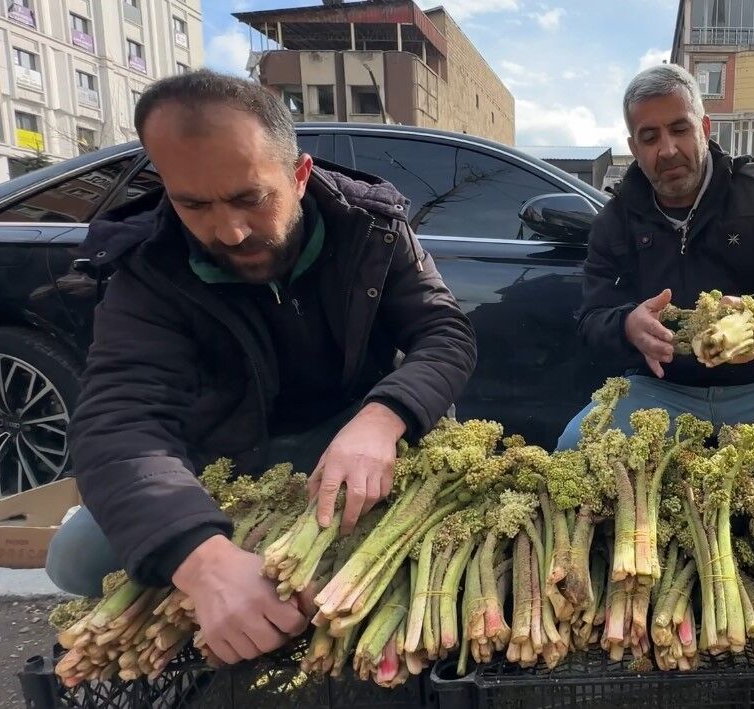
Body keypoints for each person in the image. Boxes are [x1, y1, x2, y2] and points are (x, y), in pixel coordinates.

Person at [44, 71, 478, 662]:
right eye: (194, 204)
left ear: (299, 176)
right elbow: (118, 421)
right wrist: (203, 559)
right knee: (77, 557)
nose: (230, 230)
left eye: (250, 197)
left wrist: (385, 417)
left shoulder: (371, 226)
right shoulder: (148, 268)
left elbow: (444, 333)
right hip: (225, 456)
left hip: (348, 439)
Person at [556, 64, 754, 452]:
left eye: (680, 129)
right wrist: (627, 326)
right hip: (655, 391)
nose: (667, 150)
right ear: (635, 148)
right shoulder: (613, 221)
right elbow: (590, 318)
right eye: (649, 137)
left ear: (704, 129)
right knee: (570, 448)